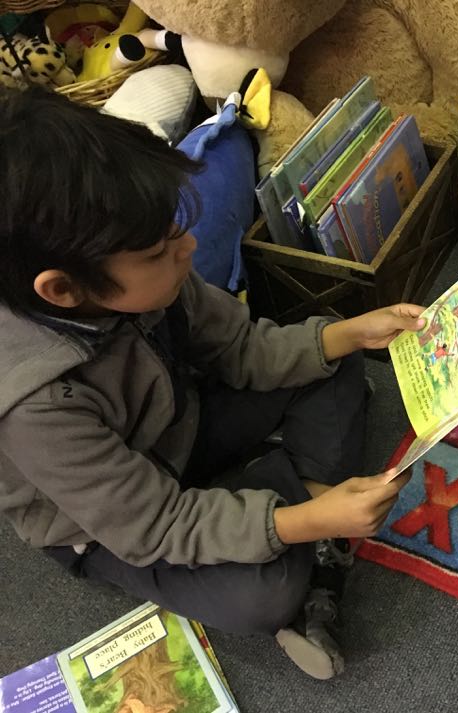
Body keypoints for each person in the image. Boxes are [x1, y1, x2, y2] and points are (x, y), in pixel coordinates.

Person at [0, 87, 421, 680]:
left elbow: (246, 347)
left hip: (179, 421)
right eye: (158, 251)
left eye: (176, 229)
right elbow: (156, 525)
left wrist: (352, 333)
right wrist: (308, 520)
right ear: (64, 290)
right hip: (111, 525)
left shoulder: (146, 277)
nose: (188, 248)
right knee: (262, 598)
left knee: (332, 356)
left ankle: (302, 526)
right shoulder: (34, 407)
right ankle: (309, 538)